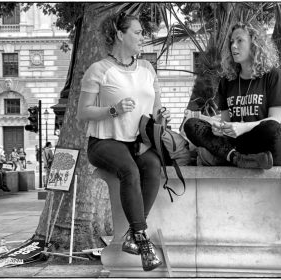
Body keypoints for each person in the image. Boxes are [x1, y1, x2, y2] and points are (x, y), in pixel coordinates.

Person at [77, 12, 171, 271]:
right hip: (104, 141)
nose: (143, 37)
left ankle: (132, 234)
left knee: (152, 167)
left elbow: (156, 109)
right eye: (138, 32)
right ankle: (142, 240)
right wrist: (113, 110)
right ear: (120, 35)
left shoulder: (148, 69)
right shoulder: (99, 70)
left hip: (138, 141)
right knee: (129, 170)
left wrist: (160, 117)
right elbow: (82, 112)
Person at [184, 21, 281, 169]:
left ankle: (229, 157)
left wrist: (243, 127)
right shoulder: (227, 81)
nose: (233, 45)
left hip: (267, 143)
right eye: (232, 42)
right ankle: (237, 159)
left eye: (240, 40)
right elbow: (226, 121)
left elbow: (275, 119)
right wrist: (220, 129)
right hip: (239, 144)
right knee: (191, 125)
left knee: (273, 127)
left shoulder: (273, 75)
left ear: (255, 43)